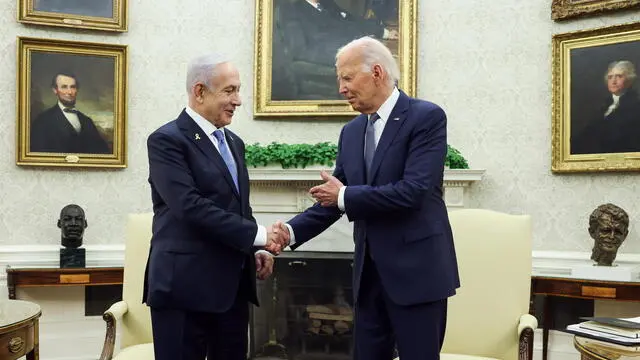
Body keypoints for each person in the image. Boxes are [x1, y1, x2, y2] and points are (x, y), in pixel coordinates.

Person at [277, 36, 459, 360]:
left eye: (347, 78)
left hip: (417, 276)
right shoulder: (351, 132)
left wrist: (344, 194)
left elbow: (413, 191)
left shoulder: (426, 118)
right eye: (340, 80)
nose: (341, 89)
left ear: (376, 72)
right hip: (368, 279)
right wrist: (288, 233)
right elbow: (335, 199)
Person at [143, 54, 290, 360]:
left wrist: (254, 249)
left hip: (232, 289)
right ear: (199, 91)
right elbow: (189, 207)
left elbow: (238, 207)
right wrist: (260, 235)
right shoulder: (166, 140)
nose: (238, 100)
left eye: (238, 90)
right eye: (229, 91)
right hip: (184, 290)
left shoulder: (234, 142)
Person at [30, 72, 111, 154]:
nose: (69, 92)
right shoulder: (42, 121)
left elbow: (103, 153)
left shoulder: (87, 121)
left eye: (72, 87)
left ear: (77, 90)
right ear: (55, 90)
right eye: (64, 87)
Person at [572, 61, 640, 154]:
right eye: (610, 77)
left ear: (629, 80)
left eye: (619, 76)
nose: (613, 81)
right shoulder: (603, 106)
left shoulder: (635, 106)